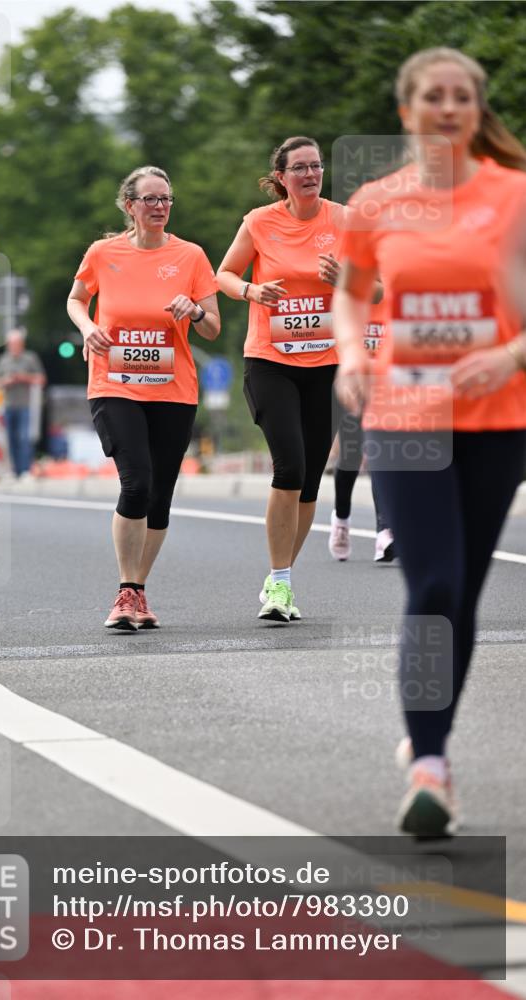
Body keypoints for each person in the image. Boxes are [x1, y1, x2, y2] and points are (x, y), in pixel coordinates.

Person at [333, 47, 526, 836]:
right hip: (404, 414)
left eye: (460, 97)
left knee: (464, 591)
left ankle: (427, 733)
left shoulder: (513, 196)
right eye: (432, 96)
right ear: (406, 111)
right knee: (434, 586)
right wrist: (351, 356)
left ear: (475, 112)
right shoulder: (375, 204)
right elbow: (350, 295)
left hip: (496, 416)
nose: (447, 108)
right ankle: (431, 771)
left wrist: (508, 356)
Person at [217, 136, 381, 622]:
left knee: (309, 478)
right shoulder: (259, 222)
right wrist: (251, 291)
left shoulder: (344, 220)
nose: (311, 175)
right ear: (282, 177)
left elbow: (378, 289)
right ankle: (280, 581)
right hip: (271, 361)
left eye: (317, 166)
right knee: (288, 466)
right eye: (301, 168)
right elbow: (223, 275)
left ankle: (281, 577)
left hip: (327, 365)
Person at [67, 165, 220, 630]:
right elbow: (76, 299)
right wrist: (88, 327)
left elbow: (213, 328)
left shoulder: (191, 256)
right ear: (130, 205)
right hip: (114, 384)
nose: (160, 206)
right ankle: (126, 589)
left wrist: (195, 311)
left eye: (166, 199)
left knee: (159, 496)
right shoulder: (103, 253)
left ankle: (138, 591)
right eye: (150, 199)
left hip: (173, 390)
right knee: (136, 482)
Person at [329, 300, 396, 563]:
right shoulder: (350, 293)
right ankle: (341, 519)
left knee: (380, 450)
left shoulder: (397, 288)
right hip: (353, 379)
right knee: (351, 456)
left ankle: (385, 531)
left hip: (387, 382)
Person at [0, 329, 46, 479]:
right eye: (11, 344)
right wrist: (5, 381)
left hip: (27, 405)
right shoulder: (2, 360)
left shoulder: (30, 358)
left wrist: (23, 378)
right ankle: (13, 470)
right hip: (7, 405)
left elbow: (41, 379)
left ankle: (25, 470)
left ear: (22, 344)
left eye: (16, 343)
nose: (13, 346)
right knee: (10, 439)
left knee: (24, 438)